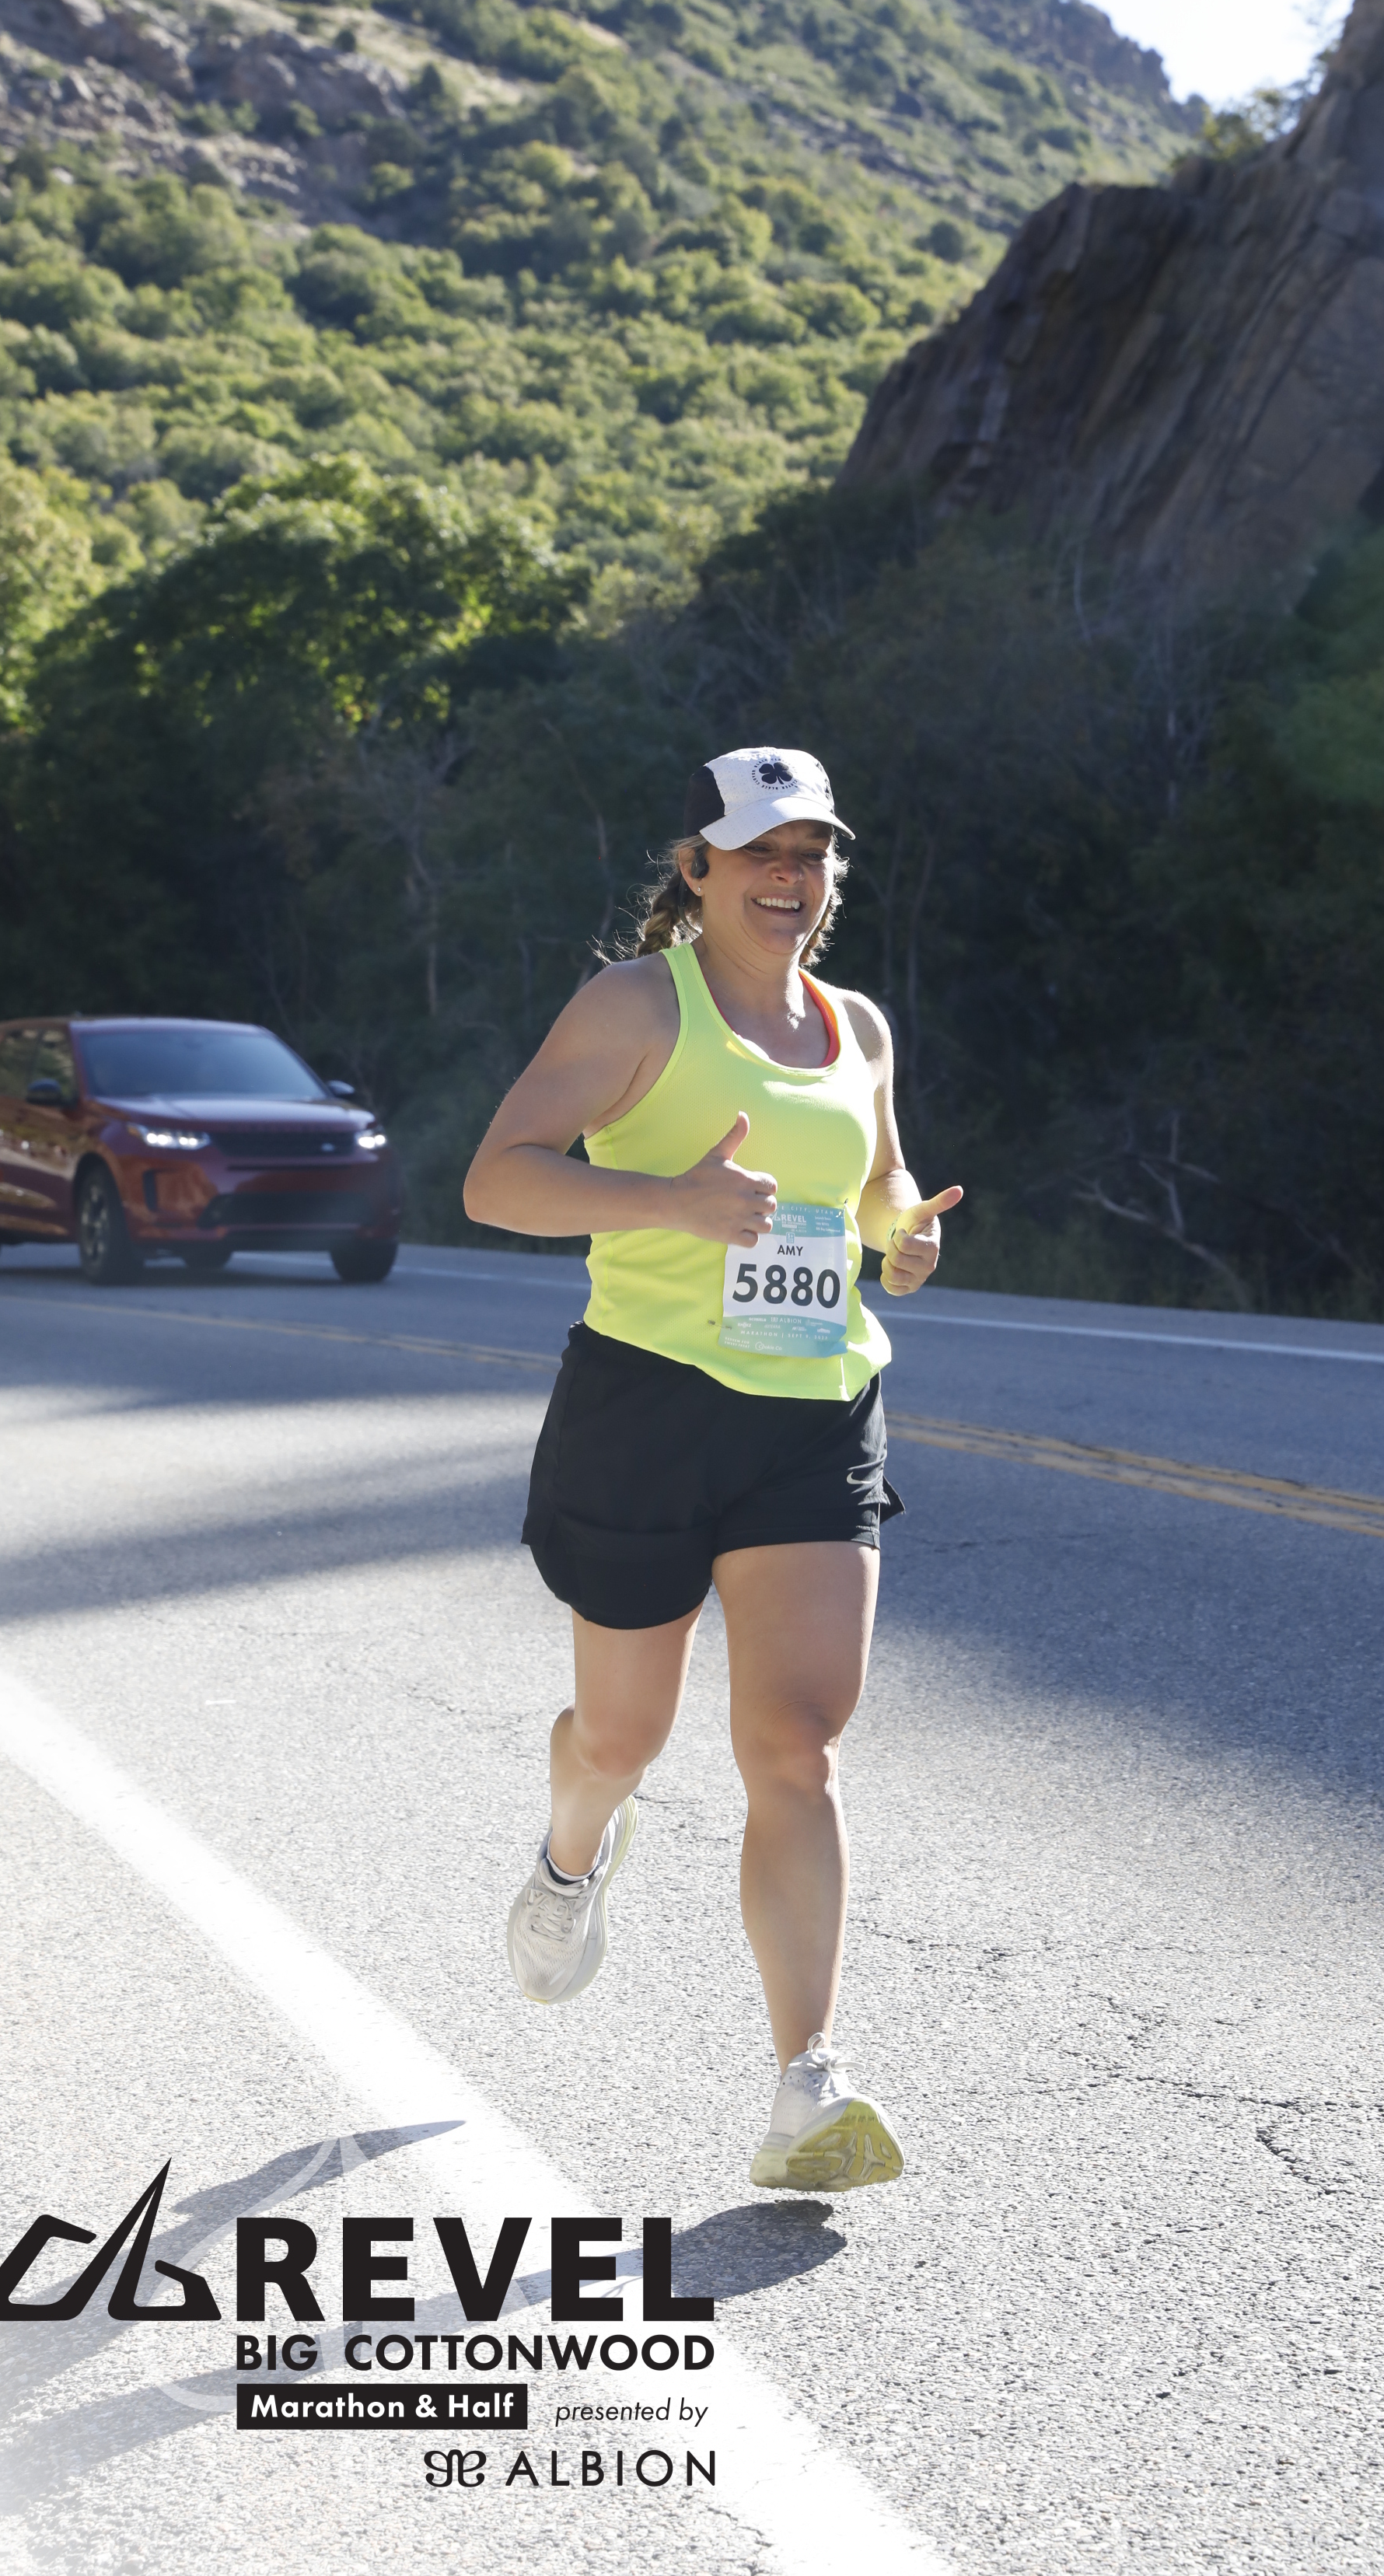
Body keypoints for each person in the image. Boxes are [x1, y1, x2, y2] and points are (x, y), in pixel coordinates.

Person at [463, 746, 961, 2192]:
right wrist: (670, 1203)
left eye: (812, 855)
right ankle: (572, 1852)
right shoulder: (637, 1006)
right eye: (759, 853)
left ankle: (807, 2085)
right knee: (623, 1740)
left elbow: (874, 1183)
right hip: (649, 1406)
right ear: (698, 869)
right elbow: (498, 1178)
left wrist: (901, 1232)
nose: (790, 879)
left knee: (797, 1746)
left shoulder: (857, 1026)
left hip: (815, 1408)